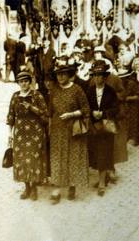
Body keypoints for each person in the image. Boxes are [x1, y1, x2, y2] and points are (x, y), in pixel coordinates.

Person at [49, 64, 90, 202]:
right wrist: (49, 128)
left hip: (73, 129)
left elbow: (86, 109)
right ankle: (56, 189)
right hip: (57, 129)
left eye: (64, 74)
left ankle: (72, 186)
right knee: (57, 158)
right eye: (58, 74)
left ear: (69, 75)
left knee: (73, 157)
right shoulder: (54, 89)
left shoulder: (77, 89)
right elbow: (50, 111)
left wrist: (71, 114)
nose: (60, 76)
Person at [7, 71, 48, 200]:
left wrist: (32, 108)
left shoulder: (37, 95)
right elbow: (11, 116)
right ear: (18, 83)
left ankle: (35, 187)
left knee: (35, 158)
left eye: (26, 81)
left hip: (35, 131)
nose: (24, 84)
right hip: (20, 133)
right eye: (21, 81)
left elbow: (45, 114)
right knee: (22, 159)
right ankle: (27, 188)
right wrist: (10, 133)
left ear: (30, 82)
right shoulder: (15, 96)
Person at [87, 62, 120, 197]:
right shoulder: (89, 91)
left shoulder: (110, 91)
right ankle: (103, 178)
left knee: (104, 152)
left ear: (104, 77)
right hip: (94, 126)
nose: (97, 78)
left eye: (100, 76)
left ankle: (101, 183)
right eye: (95, 75)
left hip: (106, 126)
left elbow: (116, 108)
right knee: (96, 153)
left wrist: (104, 113)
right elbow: (84, 106)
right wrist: (92, 112)